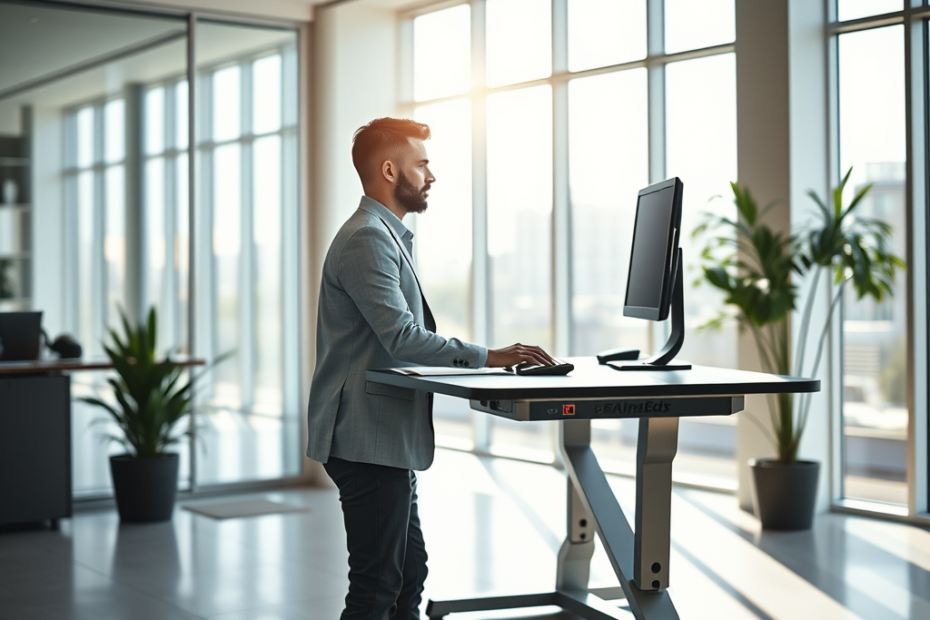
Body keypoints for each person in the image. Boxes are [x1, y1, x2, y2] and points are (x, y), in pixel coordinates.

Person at [306, 117, 554, 619]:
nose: (431, 175)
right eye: (422, 164)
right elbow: (401, 337)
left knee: (407, 574)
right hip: (364, 438)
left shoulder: (385, 236)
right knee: (377, 583)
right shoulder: (367, 238)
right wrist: (492, 356)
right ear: (390, 169)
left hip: (381, 437)